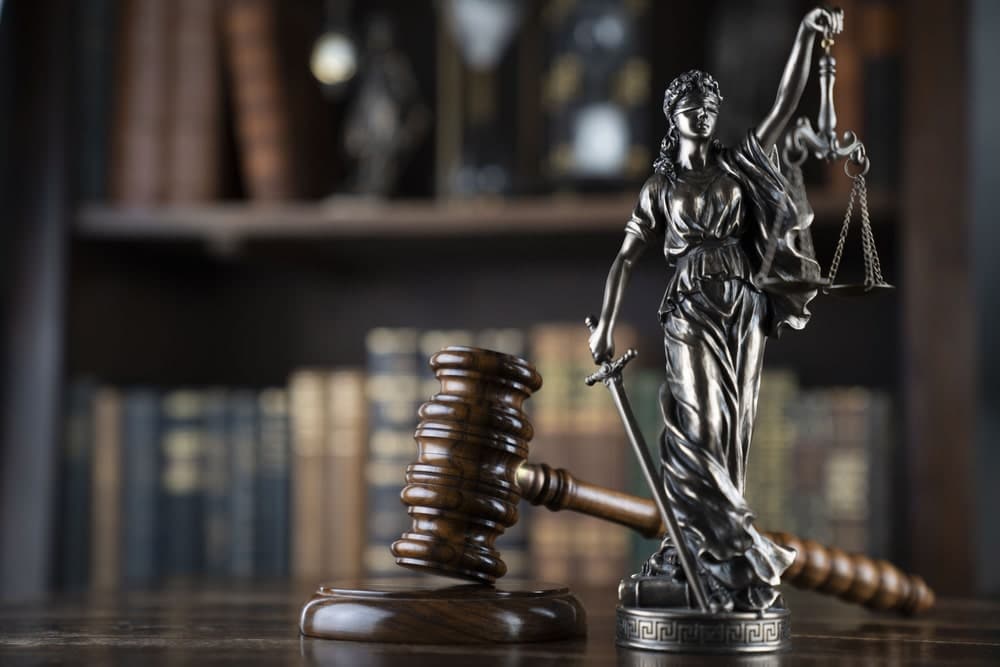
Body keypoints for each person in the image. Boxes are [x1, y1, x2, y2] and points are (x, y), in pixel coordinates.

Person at [588, 7, 842, 612]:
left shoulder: (740, 162)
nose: (701, 112)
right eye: (690, 105)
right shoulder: (659, 187)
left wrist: (806, 37)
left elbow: (784, 105)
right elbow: (625, 259)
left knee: (735, 432)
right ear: (672, 116)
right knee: (697, 426)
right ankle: (726, 551)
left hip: (744, 305)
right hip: (690, 309)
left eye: (708, 104)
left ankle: (710, 554)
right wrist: (604, 325)